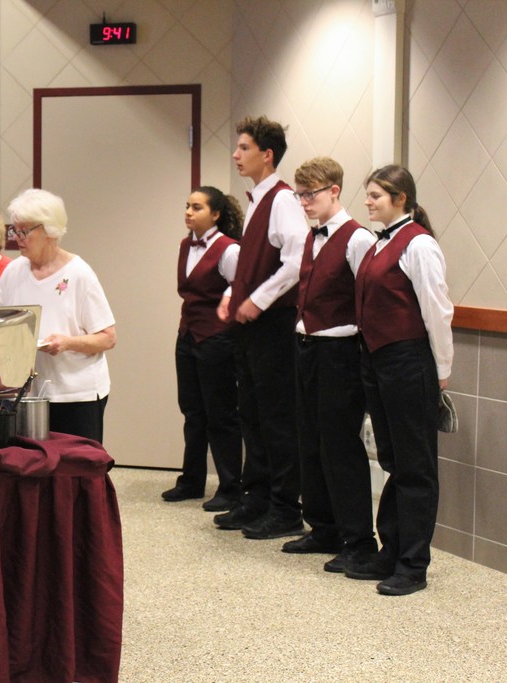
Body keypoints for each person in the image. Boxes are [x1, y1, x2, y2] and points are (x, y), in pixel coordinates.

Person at [346, 165, 453, 596]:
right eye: (368, 195)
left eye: (376, 195)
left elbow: (437, 311)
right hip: (377, 360)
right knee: (392, 460)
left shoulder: (419, 244)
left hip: (409, 361)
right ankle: (391, 550)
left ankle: (413, 564)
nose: (368, 201)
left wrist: (441, 371)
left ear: (400, 199)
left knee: (416, 466)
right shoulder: (377, 244)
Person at [283, 157, 378, 573]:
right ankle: (323, 527)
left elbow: (368, 302)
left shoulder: (357, 239)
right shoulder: (311, 236)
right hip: (306, 346)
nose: (304, 202)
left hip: (340, 352)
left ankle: (358, 540)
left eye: (311, 194)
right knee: (310, 440)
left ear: (334, 191)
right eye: (299, 195)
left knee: (340, 446)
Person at [214, 116, 306, 540]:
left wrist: (257, 299)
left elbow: (295, 261)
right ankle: (257, 498)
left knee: (275, 417)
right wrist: (235, 293)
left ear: (266, 155)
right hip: (250, 323)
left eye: (244, 147)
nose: (236, 154)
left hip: (273, 324)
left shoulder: (284, 200)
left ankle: (285, 507)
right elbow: (254, 264)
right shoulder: (255, 201)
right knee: (250, 412)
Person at [0, 189, 116, 442]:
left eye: (25, 231)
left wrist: (67, 343)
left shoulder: (79, 274)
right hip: (27, 393)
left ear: (49, 230)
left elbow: (107, 338)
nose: (18, 238)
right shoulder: (13, 272)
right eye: (15, 231)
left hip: (75, 394)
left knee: (75, 469)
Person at [160, 187, 244, 512]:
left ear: (216, 214)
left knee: (221, 414)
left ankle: (230, 488)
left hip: (217, 339)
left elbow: (239, 289)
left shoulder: (229, 249)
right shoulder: (185, 245)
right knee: (192, 410)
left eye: (197, 207)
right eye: (187, 206)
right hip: (187, 335)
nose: (189, 212)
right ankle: (191, 480)